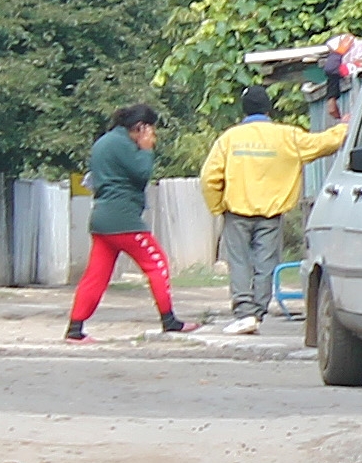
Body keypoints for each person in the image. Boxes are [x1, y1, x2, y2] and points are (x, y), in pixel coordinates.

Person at [200, 85, 346, 334]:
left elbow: (209, 177)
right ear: (268, 109)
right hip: (271, 214)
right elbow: (323, 143)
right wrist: (345, 126)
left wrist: (218, 206)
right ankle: (256, 312)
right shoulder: (286, 136)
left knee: (240, 263)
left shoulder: (229, 139)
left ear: (244, 110)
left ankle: (244, 311)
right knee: (266, 263)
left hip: (236, 212)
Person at [68, 104, 192, 343]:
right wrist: (145, 150)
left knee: (96, 276)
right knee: (157, 263)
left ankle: (75, 329)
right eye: (150, 131)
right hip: (123, 219)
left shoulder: (103, 142)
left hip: (102, 217)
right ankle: (169, 321)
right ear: (140, 128)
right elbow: (142, 173)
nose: (152, 137)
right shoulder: (124, 144)